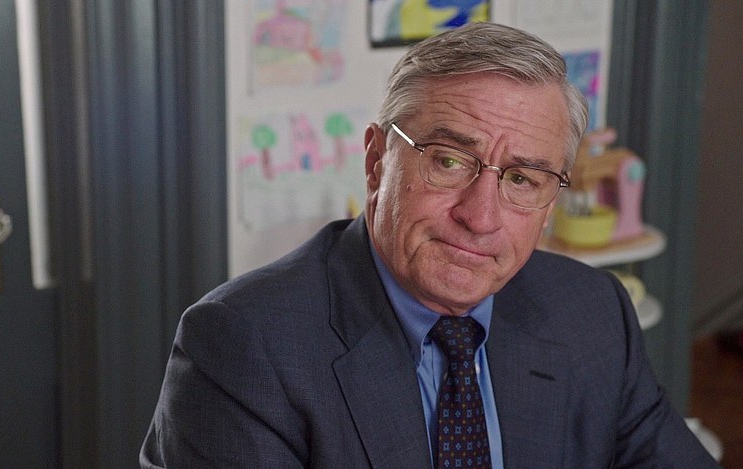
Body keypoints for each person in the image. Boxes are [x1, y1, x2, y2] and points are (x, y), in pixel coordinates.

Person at [140, 22, 718, 468]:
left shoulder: (592, 313)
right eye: (448, 161)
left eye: (522, 179)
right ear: (376, 161)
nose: (480, 218)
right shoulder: (245, 347)